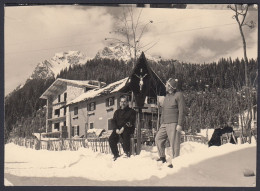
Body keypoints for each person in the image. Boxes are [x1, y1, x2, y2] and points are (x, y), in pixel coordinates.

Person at [155, 78, 186, 168]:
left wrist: (180, 124)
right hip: (164, 124)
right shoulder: (167, 96)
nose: (165, 85)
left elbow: (182, 110)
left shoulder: (179, 95)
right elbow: (164, 111)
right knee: (158, 139)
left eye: (166, 84)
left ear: (170, 86)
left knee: (174, 143)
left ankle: (176, 161)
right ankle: (162, 157)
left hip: (174, 123)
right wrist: (162, 122)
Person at [109, 96, 136, 161]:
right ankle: (116, 154)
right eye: (121, 101)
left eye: (124, 101)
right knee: (111, 139)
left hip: (127, 128)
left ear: (127, 102)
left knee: (125, 134)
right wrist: (116, 129)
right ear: (119, 103)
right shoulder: (117, 112)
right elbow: (113, 121)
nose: (123, 103)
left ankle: (126, 152)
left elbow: (131, 121)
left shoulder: (132, 111)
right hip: (118, 129)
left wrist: (123, 128)